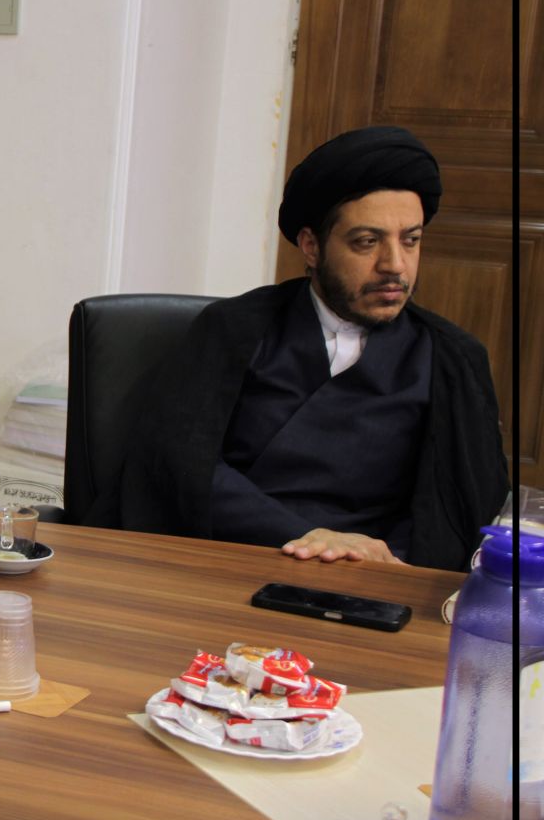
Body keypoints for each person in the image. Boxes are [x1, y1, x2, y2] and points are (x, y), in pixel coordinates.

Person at [92, 125, 508, 570]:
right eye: (367, 242)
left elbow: (454, 509)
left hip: (372, 575)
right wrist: (306, 536)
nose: (395, 265)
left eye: (411, 240)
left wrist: (378, 560)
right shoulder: (234, 329)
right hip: (232, 557)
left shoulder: (451, 358)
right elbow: (180, 465)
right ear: (311, 246)